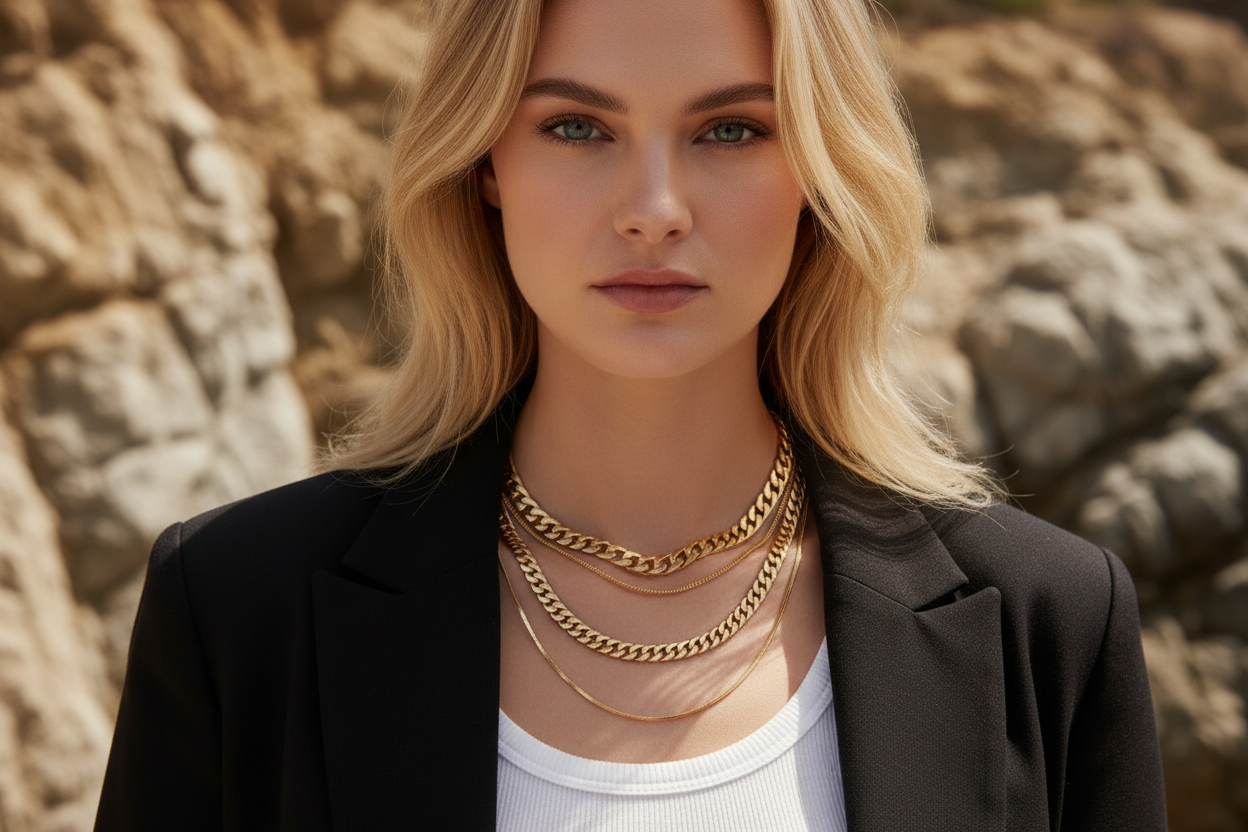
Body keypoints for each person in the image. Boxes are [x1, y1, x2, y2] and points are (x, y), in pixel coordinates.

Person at [94, 0, 1168, 829]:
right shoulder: (239, 609)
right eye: (575, 125)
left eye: (733, 131)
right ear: (484, 166)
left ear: (821, 171)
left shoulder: (1050, 622)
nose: (654, 209)